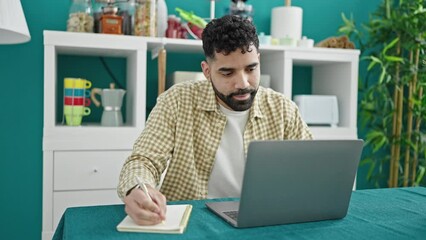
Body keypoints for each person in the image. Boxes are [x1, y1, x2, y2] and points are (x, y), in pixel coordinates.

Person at [117, 15, 313, 225]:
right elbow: (144, 160)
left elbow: (311, 169)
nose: (243, 83)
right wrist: (138, 189)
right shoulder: (176, 101)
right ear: (207, 71)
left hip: (262, 220)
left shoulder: (283, 109)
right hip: (191, 220)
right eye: (227, 73)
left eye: (251, 68)